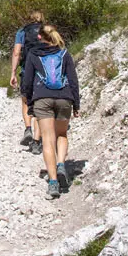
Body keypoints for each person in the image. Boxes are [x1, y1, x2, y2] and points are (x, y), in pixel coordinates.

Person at [21, 24, 80, 199]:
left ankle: (53, 182)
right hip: (64, 98)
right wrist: (76, 104)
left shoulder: (33, 54)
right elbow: (73, 79)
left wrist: (30, 103)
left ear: (39, 37)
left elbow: (28, 82)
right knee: (62, 134)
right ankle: (61, 163)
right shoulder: (64, 53)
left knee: (47, 139)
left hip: (42, 98)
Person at [10, 11, 45, 155]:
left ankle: (28, 128)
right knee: (40, 105)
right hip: (43, 72)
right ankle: (37, 142)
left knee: (25, 102)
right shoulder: (47, 30)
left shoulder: (22, 32)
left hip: (27, 70)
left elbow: (17, 52)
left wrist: (13, 72)